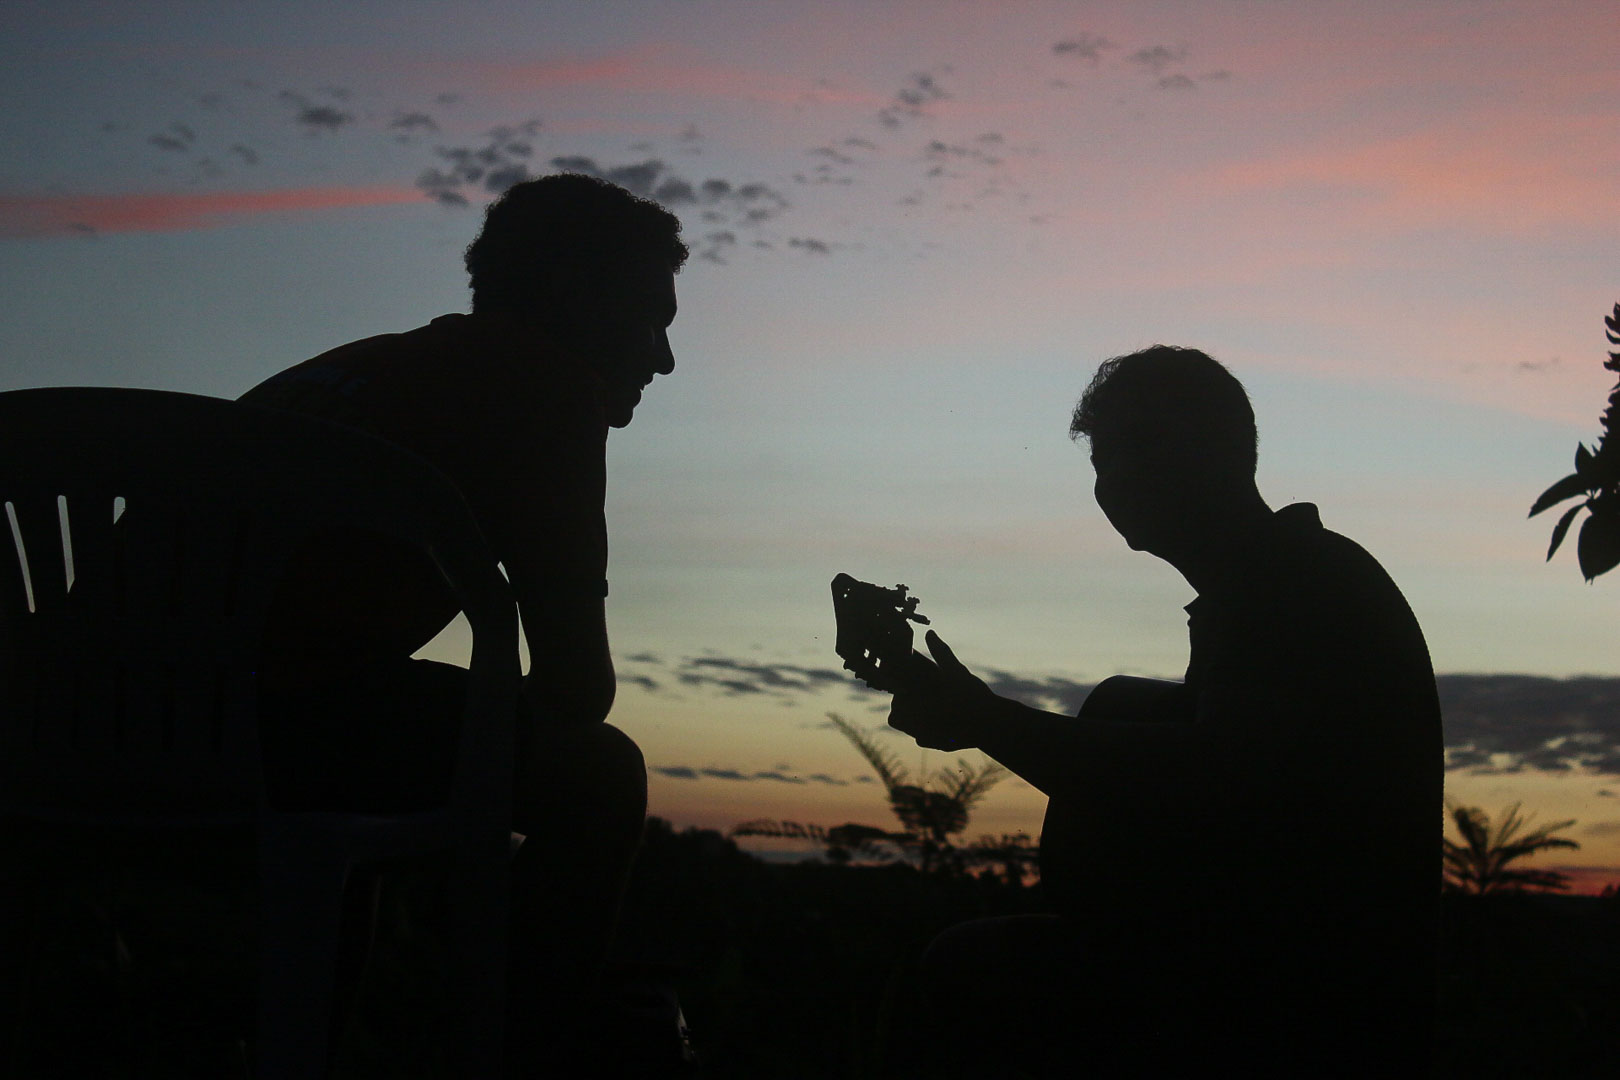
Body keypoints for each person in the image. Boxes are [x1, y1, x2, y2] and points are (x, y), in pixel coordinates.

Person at [238, 173, 685, 1074]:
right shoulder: (547, 387)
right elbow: (577, 689)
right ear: (575, 292)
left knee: (361, 793)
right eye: (651, 319)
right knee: (598, 774)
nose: (665, 359)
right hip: (271, 731)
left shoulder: (344, 372)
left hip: (75, 722)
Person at [890, 346, 1441, 1077]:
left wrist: (986, 721)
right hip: (1275, 978)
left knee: (966, 970)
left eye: (1143, 443)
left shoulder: (1295, 582)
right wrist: (985, 717)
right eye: (1102, 459)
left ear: (1225, 449)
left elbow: (1215, 780)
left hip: (1306, 1002)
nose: (1116, 476)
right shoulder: (1266, 585)